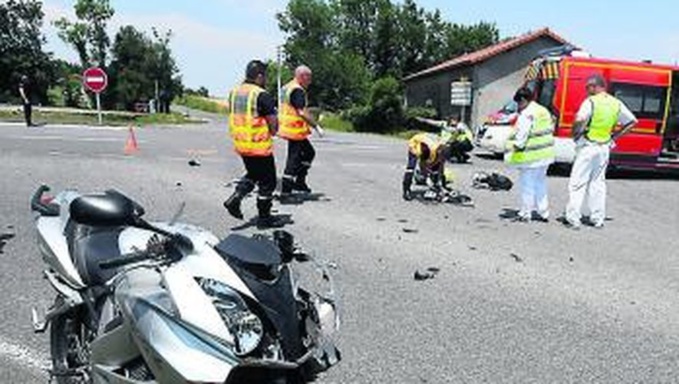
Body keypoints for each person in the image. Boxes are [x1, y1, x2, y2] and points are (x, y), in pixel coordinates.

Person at [562, 75, 637, 229]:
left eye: (587, 87)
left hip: (588, 146)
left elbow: (580, 119)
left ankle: (573, 218)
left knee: (577, 183)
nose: (586, 90)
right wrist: (614, 137)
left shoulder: (590, 102)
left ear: (595, 86)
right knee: (598, 183)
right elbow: (632, 122)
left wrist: (576, 134)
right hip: (604, 147)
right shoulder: (616, 103)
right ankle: (597, 219)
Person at [223, 60, 285, 229]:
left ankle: (235, 198)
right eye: (264, 76)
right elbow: (273, 123)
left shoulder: (234, 92)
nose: (266, 79)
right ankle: (264, 219)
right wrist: (273, 131)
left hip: (241, 144)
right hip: (258, 145)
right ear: (259, 76)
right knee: (268, 182)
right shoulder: (261, 94)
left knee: (253, 174)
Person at [505, 87, 556, 223]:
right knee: (540, 183)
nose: (519, 106)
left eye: (519, 103)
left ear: (523, 100)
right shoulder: (542, 110)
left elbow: (522, 137)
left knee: (527, 185)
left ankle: (525, 213)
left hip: (531, 156)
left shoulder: (527, 114)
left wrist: (511, 147)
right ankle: (543, 212)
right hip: (545, 154)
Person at [279, 65, 324, 199]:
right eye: (309, 78)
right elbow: (301, 112)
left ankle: (299, 182)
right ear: (302, 76)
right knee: (293, 159)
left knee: (309, 153)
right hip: (294, 130)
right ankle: (286, 191)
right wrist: (316, 126)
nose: (310, 81)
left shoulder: (287, 87)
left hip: (289, 128)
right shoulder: (297, 90)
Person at [402, 132, 453, 201]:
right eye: (442, 157)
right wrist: (427, 177)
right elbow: (422, 164)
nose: (442, 159)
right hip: (416, 143)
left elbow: (441, 166)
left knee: (435, 166)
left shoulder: (442, 148)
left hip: (429, 141)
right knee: (411, 168)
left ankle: (434, 184)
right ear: (439, 151)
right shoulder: (427, 150)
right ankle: (406, 190)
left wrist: (442, 185)